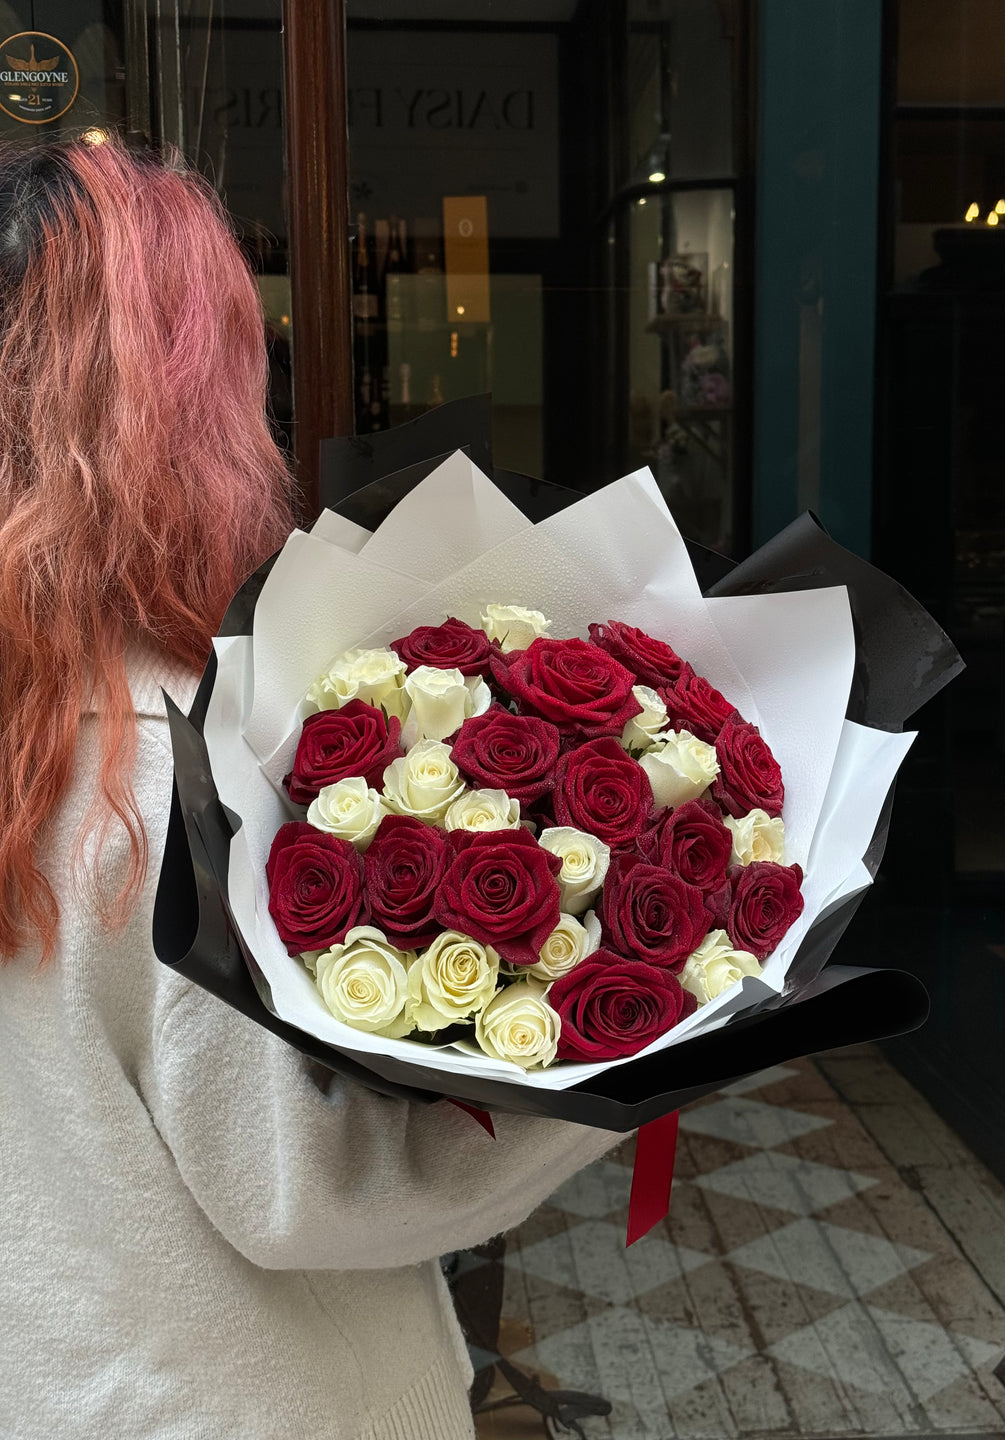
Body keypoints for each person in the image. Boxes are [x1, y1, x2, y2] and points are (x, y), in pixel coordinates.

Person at [0, 138, 618, 1440]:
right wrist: (629, 1039)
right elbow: (305, 1187)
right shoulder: (155, 755)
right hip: (241, 1399)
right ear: (182, 403)